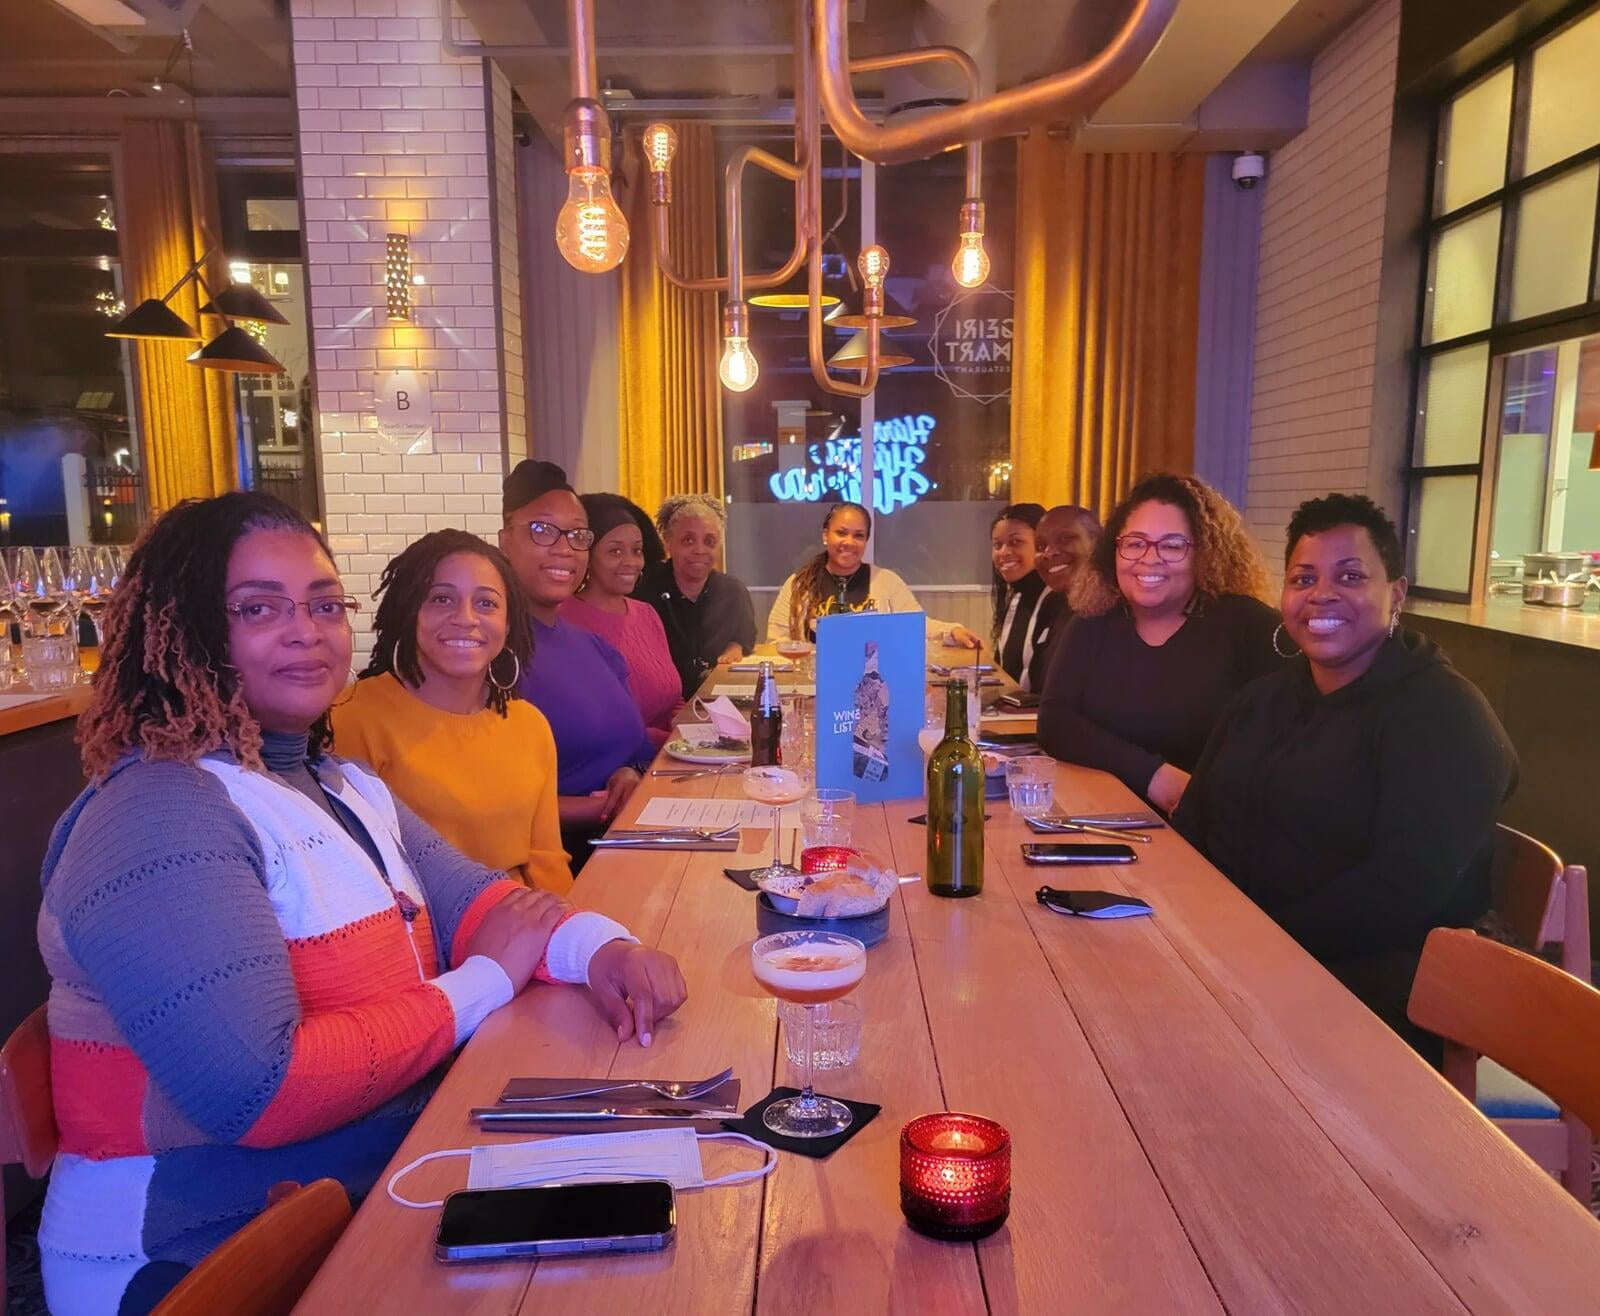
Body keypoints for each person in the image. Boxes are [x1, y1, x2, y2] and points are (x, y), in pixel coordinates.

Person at [38, 492, 685, 1314]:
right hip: (203, 1261)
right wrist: (484, 981)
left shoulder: (336, 782)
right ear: (183, 626)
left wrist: (603, 950)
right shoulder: (157, 812)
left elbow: (483, 900)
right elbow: (259, 1089)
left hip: (379, 1188)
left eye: (321, 603)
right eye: (258, 607)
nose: (306, 629)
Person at [1175, 494, 1517, 1057]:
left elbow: (1399, 894)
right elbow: (1196, 822)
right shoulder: (1262, 701)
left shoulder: (1443, 714)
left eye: (1351, 575)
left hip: (1382, 979)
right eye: (1303, 578)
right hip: (1246, 951)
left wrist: (1250, 944)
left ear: (1397, 594)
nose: (1322, 594)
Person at [332, 529, 573, 895]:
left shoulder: (529, 725)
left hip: (523, 928)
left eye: (486, 603)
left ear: (508, 625)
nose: (466, 618)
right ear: (409, 610)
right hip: (420, 937)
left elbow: (547, 864)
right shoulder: (353, 716)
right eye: (441, 599)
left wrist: (567, 933)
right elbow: (353, 879)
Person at [1037, 472, 1278, 812]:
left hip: (1209, 835)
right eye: (1135, 543)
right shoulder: (1092, 623)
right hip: (1101, 819)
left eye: (1172, 546)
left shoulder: (1249, 626)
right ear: (1114, 551)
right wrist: (1154, 776)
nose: (1149, 559)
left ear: (1204, 554)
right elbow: (1054, 723)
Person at [499, 460, 654, 861]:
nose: (565, 548)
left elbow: (634, 746)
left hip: (625, 843)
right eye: (543, 530)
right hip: (555, 867)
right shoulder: (492, 656)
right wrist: (603, 807)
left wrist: (629, 772)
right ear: (504, 541)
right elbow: (489, 800)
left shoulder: (596, 648)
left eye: (577, 534)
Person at [766, 501, 982, 647]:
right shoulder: (798, 584)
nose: (849, 542)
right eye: (841, 533)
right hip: (814, 686)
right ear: (825, 535)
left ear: (866, 541)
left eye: (858, 535)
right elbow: (776, 642)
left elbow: (917, 625)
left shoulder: (886, 582)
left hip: (870, 688)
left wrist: (953, 631)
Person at [562, 492, 682, 746]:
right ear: (588, 557)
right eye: (615, 551)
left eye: (636, 550)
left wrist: (692, 729)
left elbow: (672, 700)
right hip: (616, 771)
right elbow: (592, 726)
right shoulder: (565, 621)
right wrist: (672, 742)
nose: (631, 562)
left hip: (669, 758)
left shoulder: (646, 614)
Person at [640, 493, 757, 699]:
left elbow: (744, 638)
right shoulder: (644, 592)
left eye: (709, 541)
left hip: (720, 701)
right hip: (660, 705)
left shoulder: (734, 591)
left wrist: (734, 649)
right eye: (688, 540)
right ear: (668, 542)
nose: (700, 550)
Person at [989, 502, 1062, 692]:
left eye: (1015, 542)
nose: (1003, 552)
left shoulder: (1058, 601)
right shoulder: (1015, 598)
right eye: (997, 545)